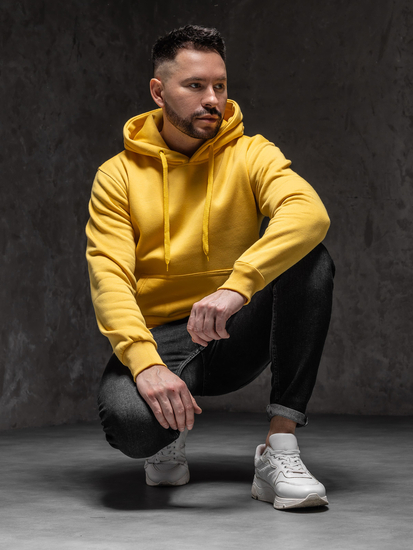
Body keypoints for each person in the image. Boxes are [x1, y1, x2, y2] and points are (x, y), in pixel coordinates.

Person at [86, 25, 335, 510]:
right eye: (195, 86)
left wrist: (238, 287)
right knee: (132, 427)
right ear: (159, 91)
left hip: (234, 328)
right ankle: (165, 435)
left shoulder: (251, 153)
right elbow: (109, 278)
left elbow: (309, 213)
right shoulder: (117, 176)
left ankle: (279, 446)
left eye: (220, 85)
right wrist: (145, 363)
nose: (212, 100)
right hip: (164, 338)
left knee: (310, 258)